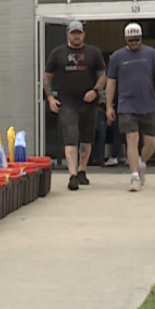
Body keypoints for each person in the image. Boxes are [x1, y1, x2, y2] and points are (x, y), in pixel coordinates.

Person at [44, 20, 106, 191]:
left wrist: (95, 91)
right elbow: (47, 76)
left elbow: (103, 76)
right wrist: (50, 98)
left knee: (87, 138)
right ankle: (72, 175)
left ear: (84, 34)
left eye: (79, 33)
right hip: (67, 103)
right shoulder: (58, 53)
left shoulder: (93, 53)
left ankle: (81, 170)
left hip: (88, 103)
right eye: (73, 33)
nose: (76, 36)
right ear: (68, 35)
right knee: (70, 135)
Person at [105, 22, 155, 192]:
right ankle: (134, 177)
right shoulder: (117, 57)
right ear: (126, 39)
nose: (133, 43)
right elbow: (111, 82)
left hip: (149, 104)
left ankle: (141, 164)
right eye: (131, 40)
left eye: (136, 39)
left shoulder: (151, 53)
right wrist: (109, 106)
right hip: (127, 105)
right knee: (131, 140)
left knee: (151, 142)